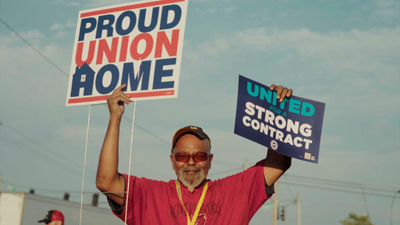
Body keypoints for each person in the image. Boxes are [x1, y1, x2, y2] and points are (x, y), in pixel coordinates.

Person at [96, 84, 293, 225]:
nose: (191, 162)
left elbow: (278, 164)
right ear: (172, 161)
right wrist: (115, 117)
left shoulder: (235, 191)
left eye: (199, 156)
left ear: (210, 161)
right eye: (182, 156)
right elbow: (106, 182)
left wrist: (277, 113)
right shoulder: (149, 194)